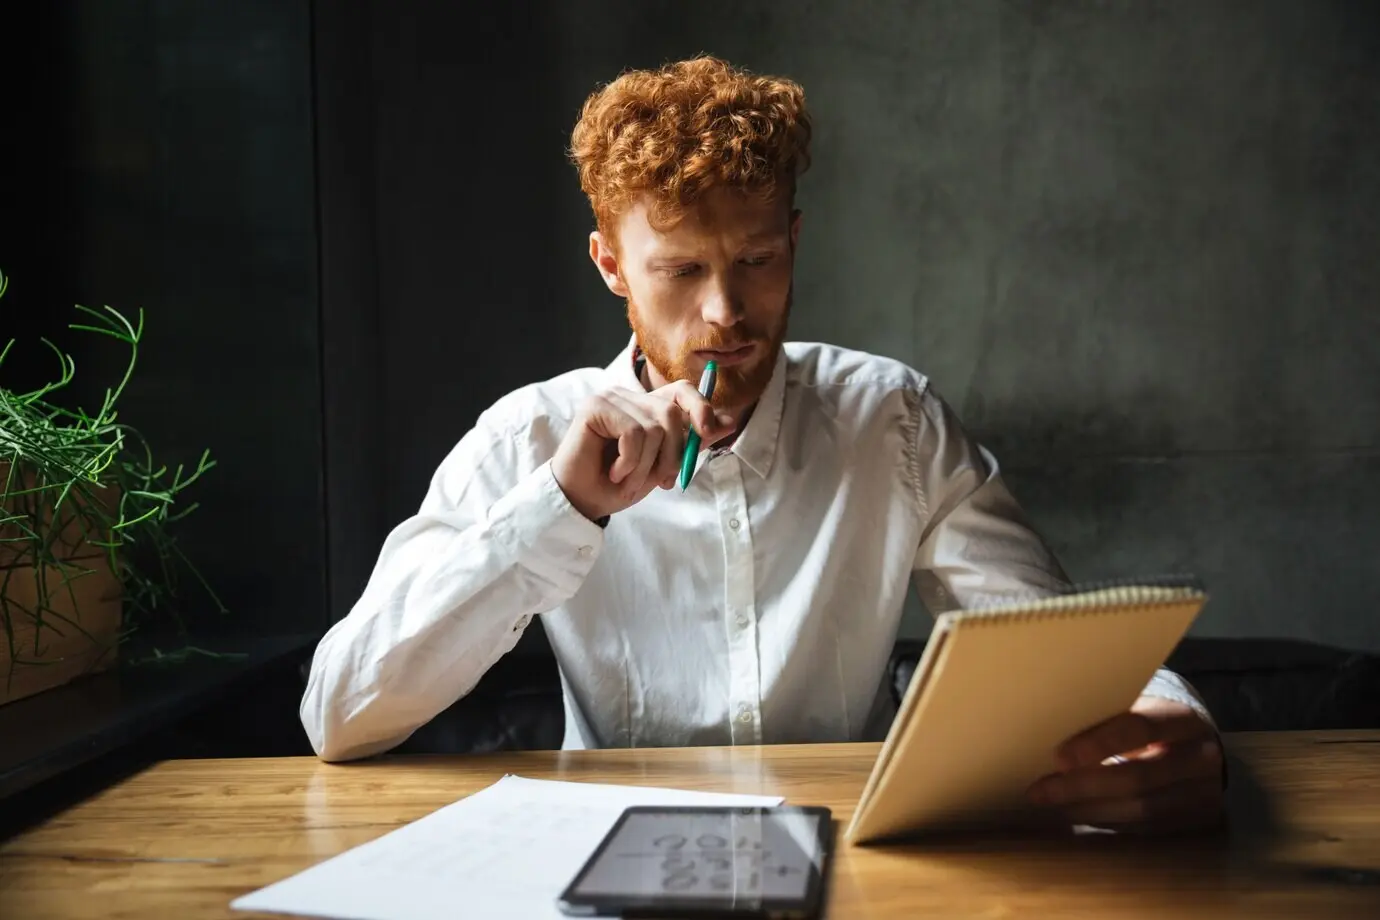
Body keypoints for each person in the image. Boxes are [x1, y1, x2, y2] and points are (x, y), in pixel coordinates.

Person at [301, 55, 1225, 833]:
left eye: (757, 260)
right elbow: (339, 715)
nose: (727, 312)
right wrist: (564, 506)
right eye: (681, 271)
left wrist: (1176, 721)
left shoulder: (894, 422)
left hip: (859, 865)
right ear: (612, 266)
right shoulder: (527, 439)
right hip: (602, 875)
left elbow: (1049, 645)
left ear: (794, 237)